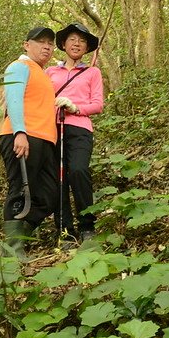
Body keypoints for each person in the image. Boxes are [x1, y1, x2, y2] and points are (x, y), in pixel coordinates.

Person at [0, 26, 59, 261]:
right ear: (26, 45)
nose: (47, 47)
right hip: (22, 136)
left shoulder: (42, 73)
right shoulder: (19, 66)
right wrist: (19, 133)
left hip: (44, 140)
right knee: (20, 191)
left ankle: (16, 242)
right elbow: (13, 98)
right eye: (41, 42)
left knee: (48, 194)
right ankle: (13, 249)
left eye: (50, 44)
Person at [46, 23, 104, 244]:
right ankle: (64, 231)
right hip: (52, 129)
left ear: (87, 47)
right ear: (63, 44)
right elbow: (40, 99)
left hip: (80, 129)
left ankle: (87, 226)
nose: (76, 43)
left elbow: (98, 105)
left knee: (78, 172)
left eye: (81, 40)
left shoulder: (92, 72)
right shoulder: (50, 72)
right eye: (72, 39)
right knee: (58, 180)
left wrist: (75, 107)